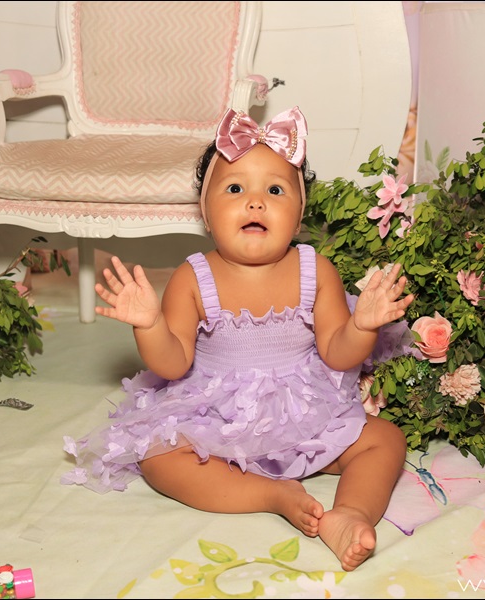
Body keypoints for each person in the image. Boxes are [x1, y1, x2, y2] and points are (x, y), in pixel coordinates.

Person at [63, 107, 415, 571]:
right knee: (157, 458)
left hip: (304, 417)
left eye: (275, 190)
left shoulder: (316, 271)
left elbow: (337, 353)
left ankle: (350, 513)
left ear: (299, 214)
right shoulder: (193, 278)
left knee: (385, 440)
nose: (255, 202)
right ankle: (271, 494)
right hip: (218, 421)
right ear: (206, 215)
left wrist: (361, 326)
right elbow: (172, 363)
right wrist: (149, 324)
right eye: (234, 189)